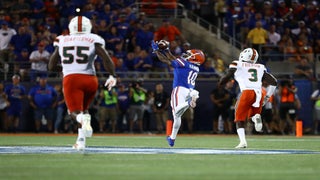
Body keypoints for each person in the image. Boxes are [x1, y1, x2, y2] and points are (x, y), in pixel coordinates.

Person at [48, 15, 117, 150]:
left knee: (74, 113)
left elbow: (51, 66)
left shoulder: (62, 39)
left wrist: (65, 68)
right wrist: (112, 75)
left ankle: (82, 120)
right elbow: (105, 57)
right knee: (83, 110)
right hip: (91, 79)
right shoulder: (93, 39)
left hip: (72, 79)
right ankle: (81, 141)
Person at [218, 48, 277, 148]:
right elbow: (274, 82)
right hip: (259, 93)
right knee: (251, 115)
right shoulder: (260, 66)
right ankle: (255, 117)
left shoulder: (237, 64)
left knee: (239, 118)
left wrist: (221, 81)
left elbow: (228, 76)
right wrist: (267, 97)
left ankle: (243, 142)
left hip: (247, 92)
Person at [151, 40, 205, 147]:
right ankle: (172, 138)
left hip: (179, 89)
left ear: (194, 58)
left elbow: (165, 60)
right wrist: (166, 50)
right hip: (189, 90)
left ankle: (189, 101)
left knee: (176, 113)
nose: (187, 55)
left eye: (190, 55)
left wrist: (156, 51)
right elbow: (172, 58)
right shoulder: (195, 67)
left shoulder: (184, 63)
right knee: (177, 116)